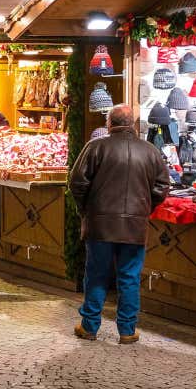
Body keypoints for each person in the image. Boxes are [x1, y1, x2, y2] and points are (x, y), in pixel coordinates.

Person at [68, 104, 170, 344]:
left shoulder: (95, 147)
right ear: (133, 124)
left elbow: (77, 183)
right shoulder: (150, 151)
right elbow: (162, 188)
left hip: (100, 224)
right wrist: (144, 210)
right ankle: (127, 330)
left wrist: (87, 210)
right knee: (129, 277)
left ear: (109, 124)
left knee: (96, 275)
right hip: (135, 226)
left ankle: (89, 326)